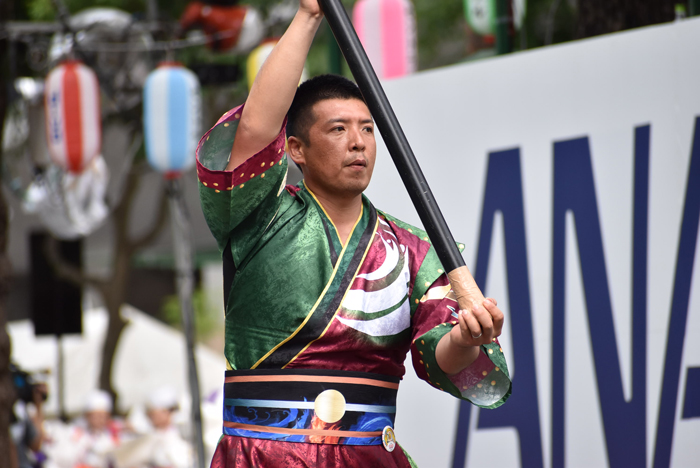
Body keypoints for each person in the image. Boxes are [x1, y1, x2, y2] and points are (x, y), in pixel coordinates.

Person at [196, 1, 512, 466]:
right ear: (296, 149)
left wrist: (465, 339)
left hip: (369, 456)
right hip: (263, 455)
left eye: (367, 128)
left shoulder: (412, 248)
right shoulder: (256, 218)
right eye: (338, 129)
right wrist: (307, 16)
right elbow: (256, 131)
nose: (358, 141)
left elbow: (440, 357)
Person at [46, 390, 122, 468]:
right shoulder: (75, 434)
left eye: (103, 416)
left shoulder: (114, 434)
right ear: (87, 416)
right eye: (96, 416)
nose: (100, 419)